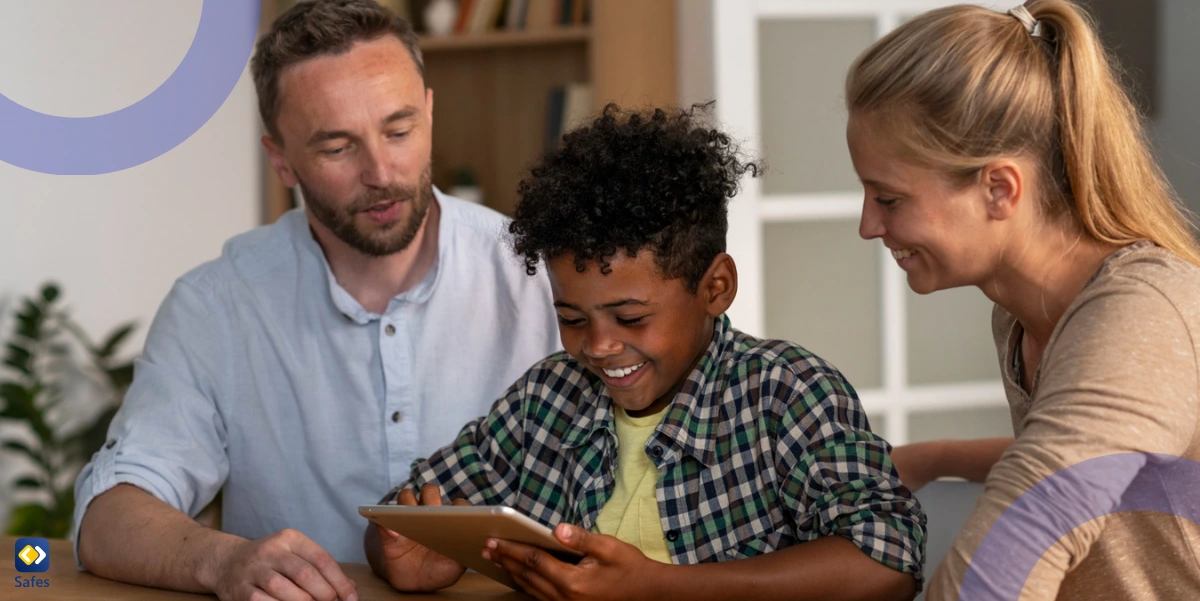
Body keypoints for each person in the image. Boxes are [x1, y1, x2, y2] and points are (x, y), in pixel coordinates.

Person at [72, 1, 559, 600]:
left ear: (430, 113)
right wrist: (221, 561)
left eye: (400, 130)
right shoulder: (216, 304)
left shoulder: (539, 274)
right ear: (280, 158)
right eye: (337, 147)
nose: (381, 172)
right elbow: (108, 518)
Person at [364, 104, 927, 601]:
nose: (600, 346)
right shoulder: (545, 401)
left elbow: (887, 560)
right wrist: (406, 553)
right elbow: (399, 511)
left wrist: (660, 587)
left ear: (716, 288)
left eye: (631, 318)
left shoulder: (786, 395)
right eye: (571, 318)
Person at [845, 0, 1200, 598]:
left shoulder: (1144, 313)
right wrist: (936, 458)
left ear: (999, 188)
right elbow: (1090, 455)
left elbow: (1037, 519)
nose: (868, 226)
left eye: (889, 198)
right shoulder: (1017, 317)